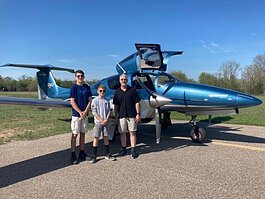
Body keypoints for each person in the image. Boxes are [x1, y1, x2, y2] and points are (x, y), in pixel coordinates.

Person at [113, 73, 141, 159]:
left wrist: (138, 114)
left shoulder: (132, 90)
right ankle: (124, 148)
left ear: (127, 80)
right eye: (122, 80)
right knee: (123, 133)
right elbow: (116, 105)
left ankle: (133, 150)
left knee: (132, 132)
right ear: (119, 81)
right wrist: (116, 116)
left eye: (125, 79)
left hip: (131, 115)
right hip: (121, 115)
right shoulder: (117, 92)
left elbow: (137, 102)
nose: (123, 81)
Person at [70, 70, 92, 164]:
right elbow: (72, 101)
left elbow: (90, 100)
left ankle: (82, 153)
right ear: (76, 77)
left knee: (83, 133)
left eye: (82, 76)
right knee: (75, 134)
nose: (80, 78)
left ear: (84, 77)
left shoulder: (87, 87)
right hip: (76, 115)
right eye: (78, 76)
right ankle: (73, 154)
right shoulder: (74, 87)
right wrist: (80, 112)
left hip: (85, 114)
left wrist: (86, 111)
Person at [90, 85, 116, 163]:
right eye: (100, 91)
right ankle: (94, 156)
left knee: (106, 137)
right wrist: (101, 120)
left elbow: (109, 111)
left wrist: (106, 120)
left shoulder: (106, 101)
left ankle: (107, 154)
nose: (102, 92)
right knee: (96, 138)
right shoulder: (95, 100)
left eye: (104, 91)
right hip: (98, 123)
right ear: (98, 91)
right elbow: (94, 112)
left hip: (105, 123)